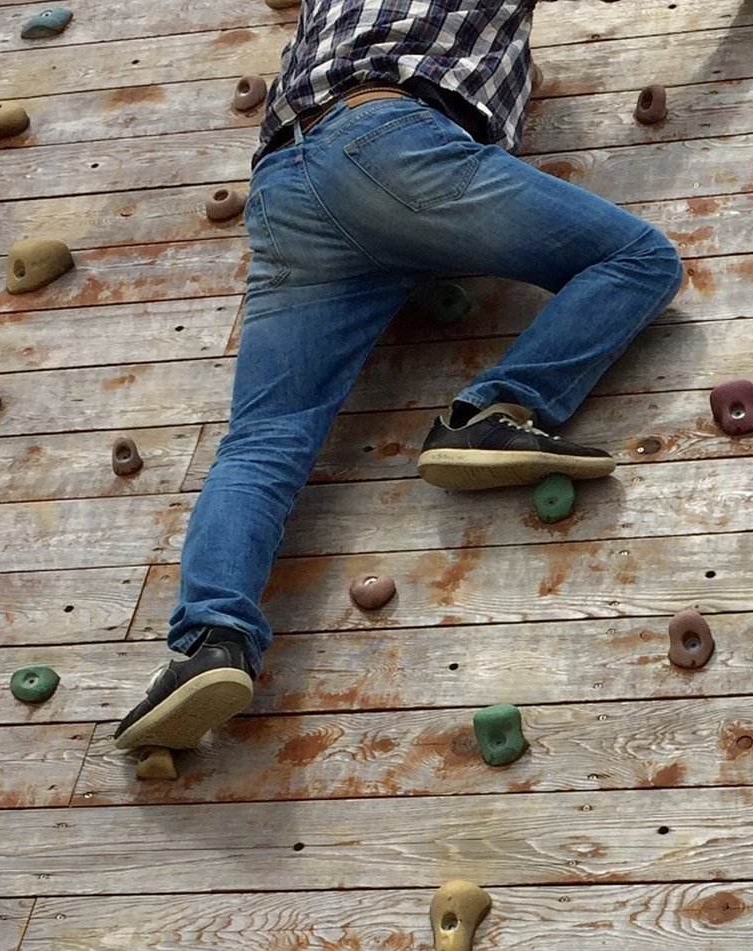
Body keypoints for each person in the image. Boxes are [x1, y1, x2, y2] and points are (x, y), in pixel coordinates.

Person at [116, 0, 686, 751]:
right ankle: (498, 409)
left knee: (262, 442)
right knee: (640, 259)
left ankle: (209, 643)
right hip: (392, 143)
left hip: (287, 188)